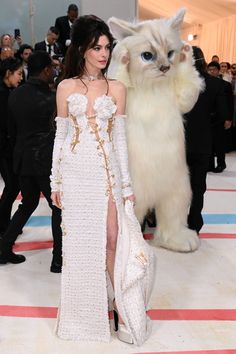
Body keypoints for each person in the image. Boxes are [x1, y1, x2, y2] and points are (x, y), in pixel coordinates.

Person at [50, 15, 140, 343]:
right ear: (83, 49)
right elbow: (60, 137)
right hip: (75, 176)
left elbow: (120, 141)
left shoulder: (116, 88)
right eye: (96, 47)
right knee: (80, 247)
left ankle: (123, 307)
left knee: (115, 240)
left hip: (106, 175)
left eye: (107, 47)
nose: (104, 53)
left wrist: (126, 186)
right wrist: (55, 182)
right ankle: (86, 309)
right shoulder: (65, 87)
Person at [0, 51, 62, 273]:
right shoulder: (52, 98)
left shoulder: (15, 95)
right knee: (57, 207)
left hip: (23, 159)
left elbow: (11, 131)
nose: (54, 72)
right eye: (52, 68)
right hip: (46, 162)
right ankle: (58, 260)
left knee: (28, 203)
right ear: (45, 70)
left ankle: (4, 248)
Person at [185, 47, 229, 233]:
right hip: (203, 142)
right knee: (198, 185)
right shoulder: (215, 84)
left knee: (176, 185)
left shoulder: (177, 83)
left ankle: (175, 222)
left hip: (179, 142)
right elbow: (222, 115)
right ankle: (195, 222)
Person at [0, 57, 22, 239]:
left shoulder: (8, 92)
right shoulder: (4, 94)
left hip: (7, 148)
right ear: (8, 74)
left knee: (12, 186)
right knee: (12, 186)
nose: (21, 78)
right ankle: (3, 225)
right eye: (19, 74)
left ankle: (5, 223)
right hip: (4, 149)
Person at [207, 61, 233, 172]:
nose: (211, 71)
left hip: (220, 118)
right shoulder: (205, 84)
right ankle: (210, 165)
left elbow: (229, 103)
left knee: (219, 143)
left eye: (213, 69)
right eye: (209, 69)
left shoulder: (225, 85)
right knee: (209, 143)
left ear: (218, 71)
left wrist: (228, 119)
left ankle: (221, 164)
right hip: (208, 118)